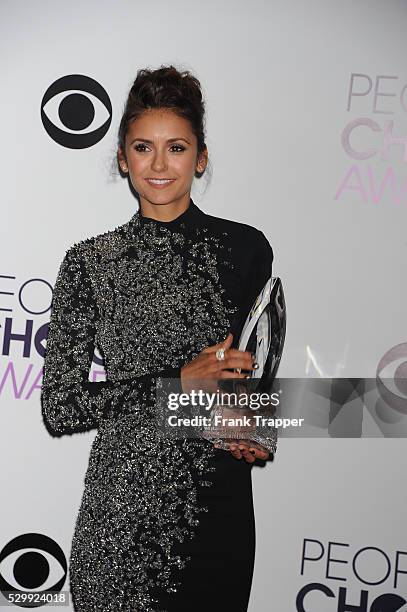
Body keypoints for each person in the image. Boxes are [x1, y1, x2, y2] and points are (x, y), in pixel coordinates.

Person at [41, 65, 277, 612]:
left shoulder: (246, 250)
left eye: (177, 147)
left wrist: (255, 429)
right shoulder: (90, 262)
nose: (159, 164)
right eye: (143, 147)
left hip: (215, 505)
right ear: (122, 158)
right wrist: (176, 384)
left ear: (201, 156)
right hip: (121, 511)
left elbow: (247, 378)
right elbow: (62, 406)